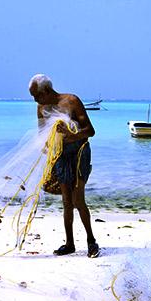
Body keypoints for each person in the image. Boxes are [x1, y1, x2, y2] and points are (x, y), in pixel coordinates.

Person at [29, 74, 100, 258]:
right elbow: (42, 133)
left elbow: (90, 131)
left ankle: (91, 241)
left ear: (46, 91)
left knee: (78, 200)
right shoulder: (41, 108)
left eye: (36, 95)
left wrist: (70, 133)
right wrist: (47, 147)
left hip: (79, 152)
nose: (35, 99)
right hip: (60, 155)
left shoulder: (71, 101)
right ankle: (69, 244)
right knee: (67, 202)